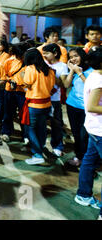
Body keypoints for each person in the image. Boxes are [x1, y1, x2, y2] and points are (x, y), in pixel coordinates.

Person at [74, 46, 102, 218]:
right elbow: (91, 106)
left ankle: (83, 195)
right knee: (89, 162)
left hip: (93, 128)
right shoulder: (99, 79)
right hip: (99, 130)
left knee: (89, 161)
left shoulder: (93, 75)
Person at [22, 48, 55, 165]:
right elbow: (51, 87)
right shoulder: (49, 70)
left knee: (30, 129)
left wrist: (23, 75)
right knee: (41, 128)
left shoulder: (30, 69)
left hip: (34, 104)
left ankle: (37, 154)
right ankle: (40, 148)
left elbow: (27, 83)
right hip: (46, 104)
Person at [62, 48, 93, 167]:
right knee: (75, 133)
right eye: (71, 57)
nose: (73, 59)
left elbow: (91, 87)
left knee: (84, 135)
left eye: (76, 56)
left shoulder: (92, 71)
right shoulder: (74, 70)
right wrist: (71, 71)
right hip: (72, 105)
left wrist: (79, 72)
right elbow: (66, 85)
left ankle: (84, 158)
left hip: (86, 108)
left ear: (82, 56)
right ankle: (79, 156)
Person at [42, 43, 68, 156]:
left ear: (55, 53)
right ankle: (40, 146)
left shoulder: (62, 66)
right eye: (43, 54)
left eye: (47, 53)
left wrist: (52, 74)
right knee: (41, 123)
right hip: (41, 98)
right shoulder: (43, 64)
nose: (45, 56)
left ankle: (57, 146)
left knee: (56, 124)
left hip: (54, 99)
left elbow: (63, 84)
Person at [1, 42, 28, 143]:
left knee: (24, 114)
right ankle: (6, 132)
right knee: (8, 112)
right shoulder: (9, 61)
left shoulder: (28, 61)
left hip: (23, 92)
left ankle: (25, 135)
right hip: (10, 90)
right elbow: (4, 75)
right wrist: (10, 80)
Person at [0, 39, 11, 123]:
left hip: (2, 80)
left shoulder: (6, 55)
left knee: (1, 100)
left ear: (4, 47)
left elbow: (3, 67)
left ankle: (0, 117)